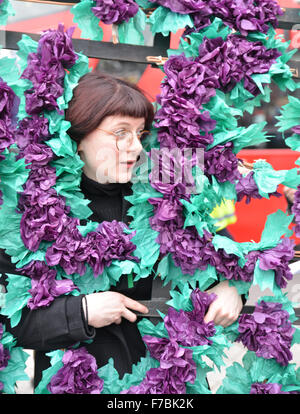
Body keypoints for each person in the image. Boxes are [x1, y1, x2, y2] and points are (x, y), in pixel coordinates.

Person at [0, 71, 243, 389]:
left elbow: (225, 252)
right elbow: (12, 319)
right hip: (80, 380)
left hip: (171, 377)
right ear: (77, 138)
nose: (135, 147)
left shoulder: (167, 184)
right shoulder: (31, 210)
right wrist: (82, 311)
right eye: (120, 133)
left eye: (140, 134)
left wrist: (230, 286)